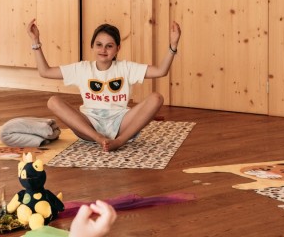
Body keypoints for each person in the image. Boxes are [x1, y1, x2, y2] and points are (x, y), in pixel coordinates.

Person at [28, 19, 182, 151]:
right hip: (89, 125)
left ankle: (119, 141)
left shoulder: (125, 67)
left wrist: (173, 45)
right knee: (53, 101)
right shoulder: (82, 68)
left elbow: (161, 71)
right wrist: (35, 42)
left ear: (117, 49)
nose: (103, 50)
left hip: (121, 123)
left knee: (156, 98)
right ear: (92, 46)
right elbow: (45, 71)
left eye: (109, 46)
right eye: (99, 44)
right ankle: (98, 138)